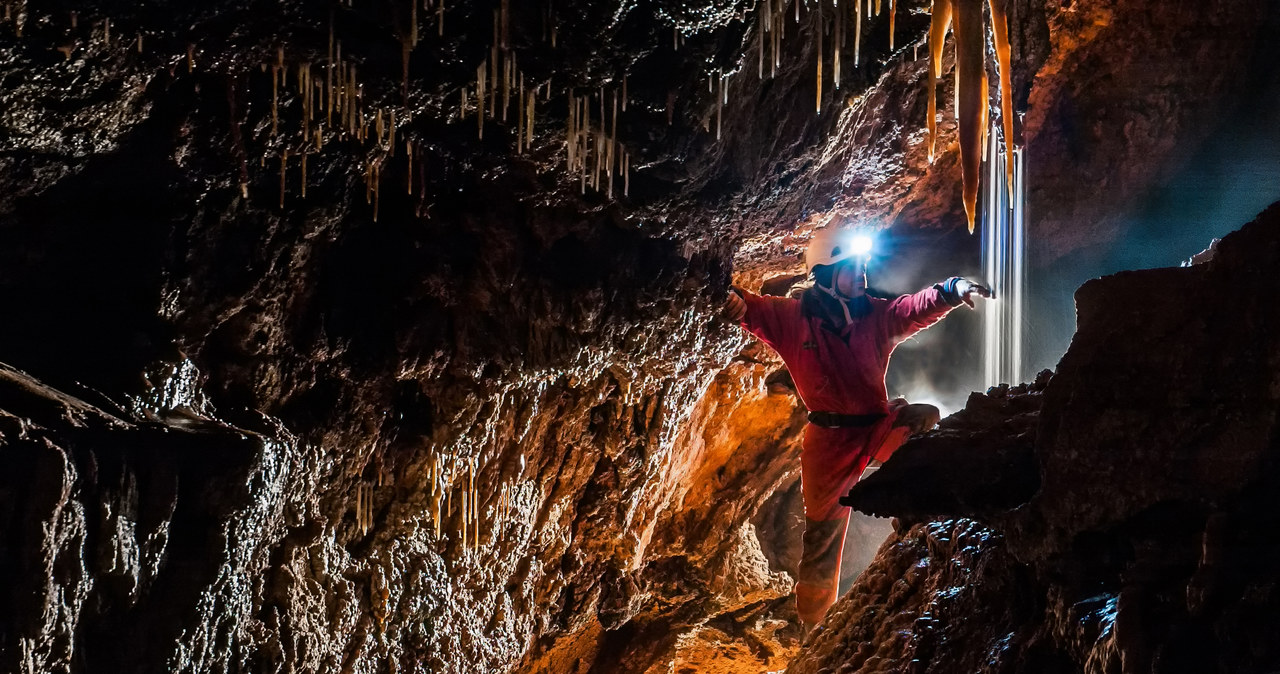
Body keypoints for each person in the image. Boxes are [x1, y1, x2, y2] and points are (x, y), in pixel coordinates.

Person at [722, 227, 991, 633]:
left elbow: (913, 308)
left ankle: (919, 522)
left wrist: (952, 290)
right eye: (851, 268)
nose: (861, 274)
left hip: (876, 425)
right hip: (828, 440)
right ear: (826, 276)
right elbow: (750, 310)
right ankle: (813, 629)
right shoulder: (794, 321)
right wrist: (723, 299)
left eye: (863, 266)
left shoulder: (875, 316)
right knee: (822, 540)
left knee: (924, 419)